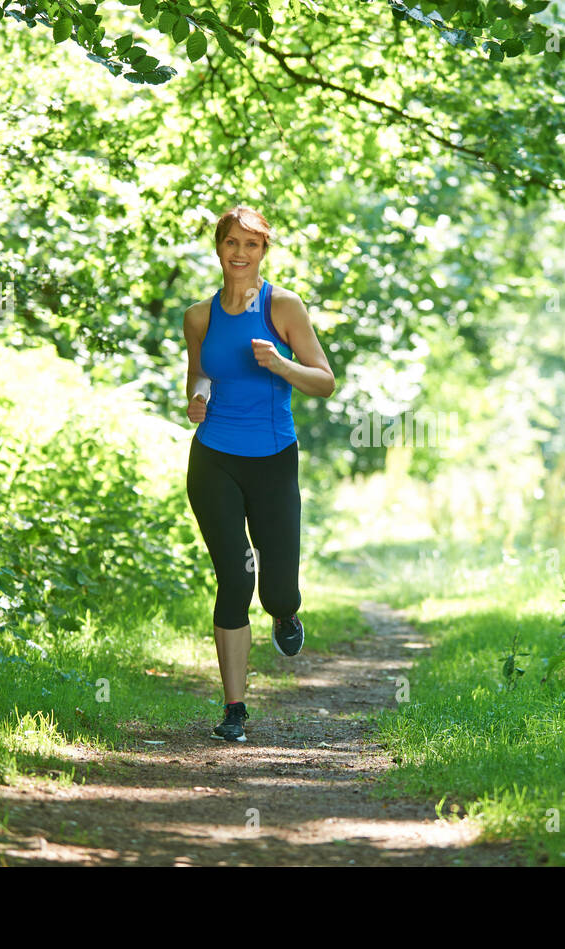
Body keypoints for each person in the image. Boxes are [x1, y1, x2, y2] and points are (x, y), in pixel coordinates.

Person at [183, 206, 335, 743]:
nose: (240, 254)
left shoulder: (283, 307)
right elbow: (199, 374)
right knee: (234, 577)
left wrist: (281, 364)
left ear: (263, 252)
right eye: (231, 243)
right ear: (218, 248)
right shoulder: (199, 316)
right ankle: (234, 710)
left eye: (251, 245)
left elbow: (324, 382)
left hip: (274, 459)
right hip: (214, 458)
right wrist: (197, 400)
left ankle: (286, 613)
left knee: (279, 588)